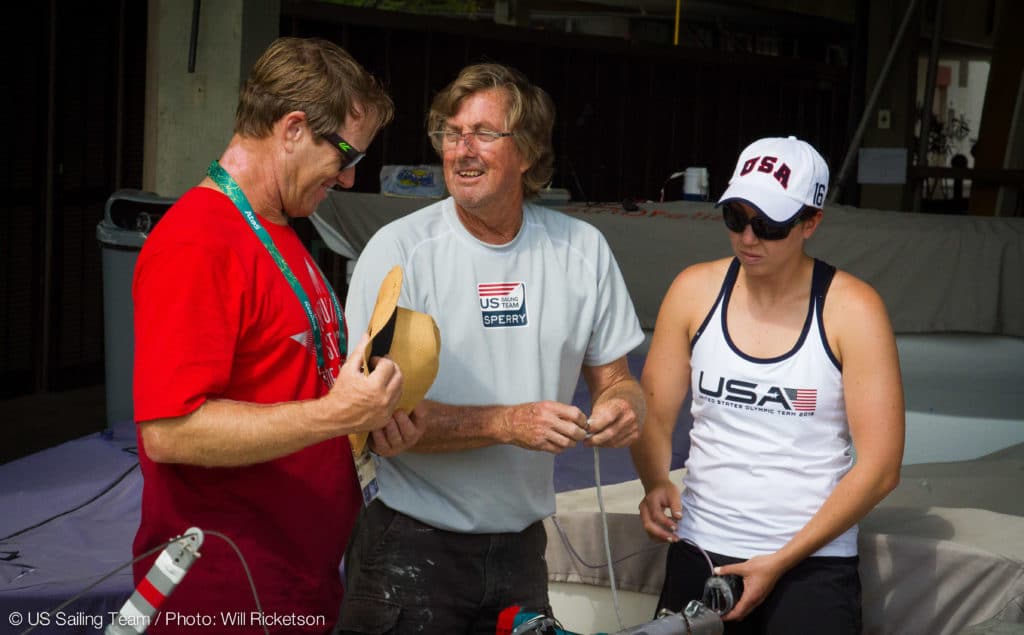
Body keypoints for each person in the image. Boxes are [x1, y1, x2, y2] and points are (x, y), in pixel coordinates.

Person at [335, 63, 647, 634]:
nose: (461, 150)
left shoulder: (582, 250)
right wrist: (507, 422)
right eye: (452, 134)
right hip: (409, 546)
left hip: (522, 553)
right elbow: (372, 419)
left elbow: (617, 379)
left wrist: (624, 407)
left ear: (527, 152)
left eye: (483, 133)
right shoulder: (400, 251)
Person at [131, 37, 421, 633]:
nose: (347, 179)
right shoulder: (198, 240)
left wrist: (368, 421)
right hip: (223, 595)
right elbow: (168, 431)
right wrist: (336, 416)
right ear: (292, 128)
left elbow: (293, 388)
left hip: (294, 582)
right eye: (344, 155)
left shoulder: (280, 227)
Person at [630, 136, 905, 633]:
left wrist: (779, 561)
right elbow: (652, 414)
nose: (748, 238)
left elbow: (881, 468)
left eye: (769, 224)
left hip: (810, 565)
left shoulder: (854, 309)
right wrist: (653, 480)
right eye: (735, 217)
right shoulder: (693, 290)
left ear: (810, 223)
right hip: (700, 550)